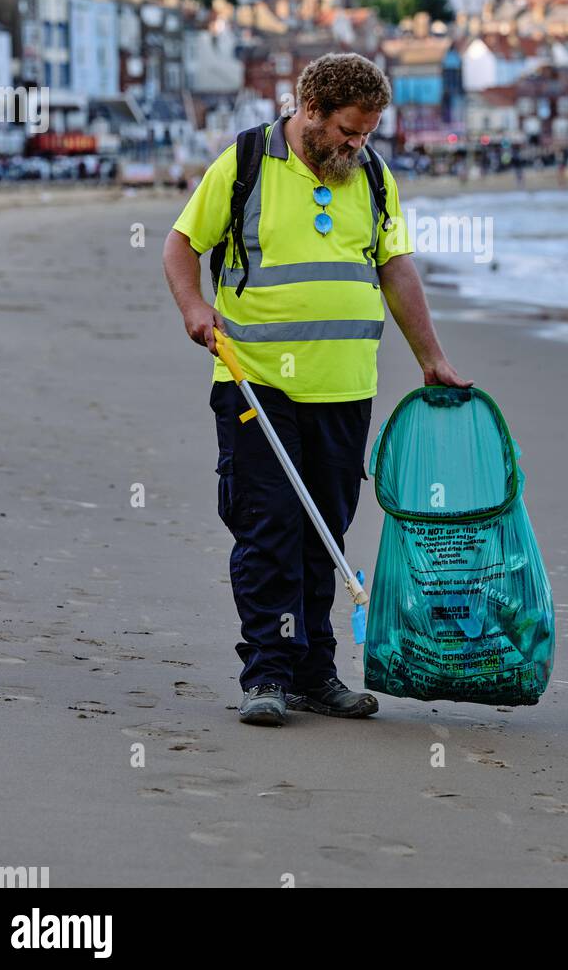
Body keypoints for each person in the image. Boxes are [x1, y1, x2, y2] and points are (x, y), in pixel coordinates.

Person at [162, 54, 471, 727]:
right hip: (255, 382)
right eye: (347, 131)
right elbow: (182, 244)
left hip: (345, 388)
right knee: (268, 527)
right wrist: (194, 309)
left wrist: (432, 358)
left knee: (322, 535)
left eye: (367, 133)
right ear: (310, 112)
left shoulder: (374, 178)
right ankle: (266, 676)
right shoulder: (244, 163)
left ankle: (314, 674)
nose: (357, 144)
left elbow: (396, 269)